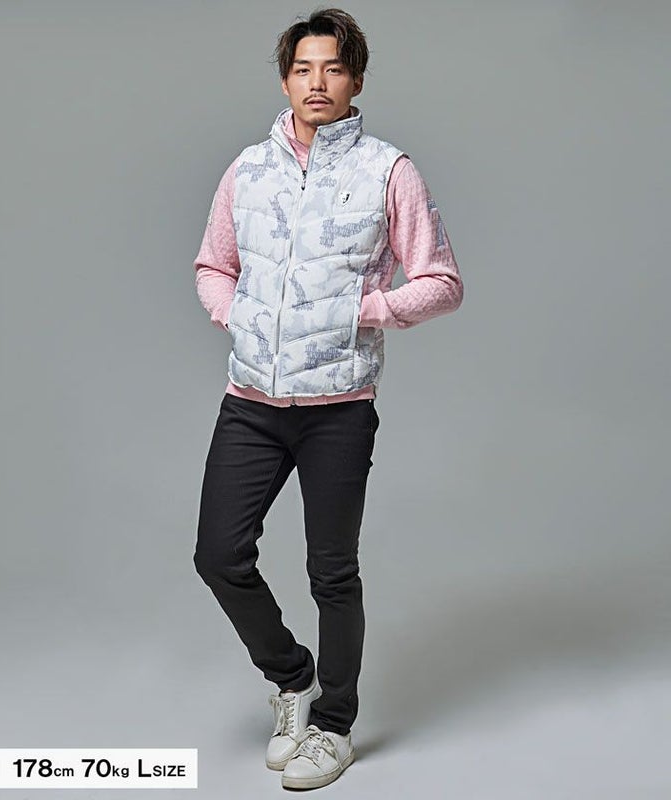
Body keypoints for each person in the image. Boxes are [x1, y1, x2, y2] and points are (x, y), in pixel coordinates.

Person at [192, 7, 463, 790]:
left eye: (334, 69)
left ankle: (335, 725)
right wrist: (237, 315)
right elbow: (213, 265)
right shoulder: (248, 170)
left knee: (331, 572)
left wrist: (362, 311)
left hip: (338, 406)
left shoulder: (388, 170)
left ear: (356, 81)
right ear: (286, 80)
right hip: (251, 401)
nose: (318, 82)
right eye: (303, 69)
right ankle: (292, 677)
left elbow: (442, 282)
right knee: (218, 555)